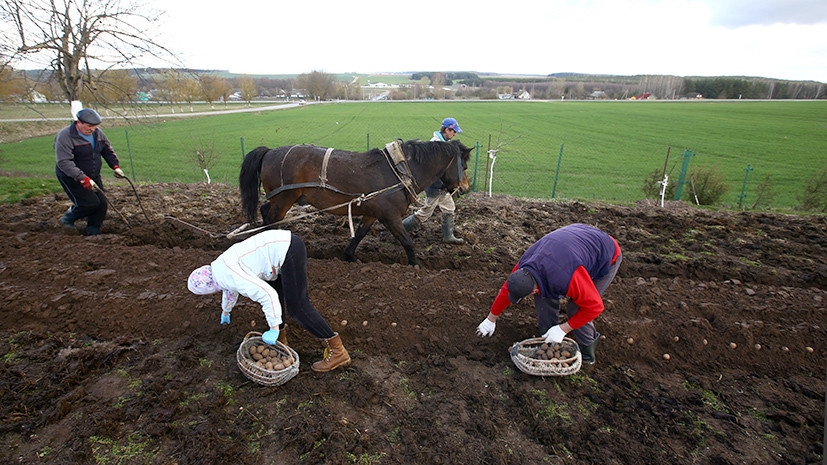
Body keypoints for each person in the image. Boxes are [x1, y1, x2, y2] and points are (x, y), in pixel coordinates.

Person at [187, 230, 351, 372]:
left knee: (298, 308)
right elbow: (230, 289)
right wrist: (226, 310)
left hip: (288, 250)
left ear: (208, 288)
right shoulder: (219, 270)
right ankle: (281, 338)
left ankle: (337, 351)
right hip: (274, 253)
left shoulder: (229, 275)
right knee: (277, 295)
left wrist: (273, 328)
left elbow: (266, 295)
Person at [475, 223, 622, 364]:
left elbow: (595, 307)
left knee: (576, 307)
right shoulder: (525, 266)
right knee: (544, 295)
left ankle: (588, 354)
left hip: (605, 253)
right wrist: (491, 319)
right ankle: (548, 340)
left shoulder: (568, 277)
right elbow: (507, 289)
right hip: (570, 245)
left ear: (533, 289)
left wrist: (563, 329)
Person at [55, 108, 126, 235]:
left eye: (95, 126)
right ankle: (67, 219)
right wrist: (83, 178)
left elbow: (107, 150)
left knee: (102, 204)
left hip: (93, 175)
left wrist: (115, 166)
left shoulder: (98, 134)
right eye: (89, 126)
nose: (92, 129)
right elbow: (64, 162)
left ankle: (93, 229)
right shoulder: (66, 136)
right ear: (78, 122)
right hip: (72, 177)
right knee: (89, 203)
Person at [401, 117, 465, 244]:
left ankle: (448, 236)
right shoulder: (436, 146)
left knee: (449, 208)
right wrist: (441, 185)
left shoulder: (442, 144)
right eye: (454, 131)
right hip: (435, 186)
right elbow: (432, 171)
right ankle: (398, 229)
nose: (455, 134)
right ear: (447, 130)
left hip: (440, 186)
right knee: (425, 213)